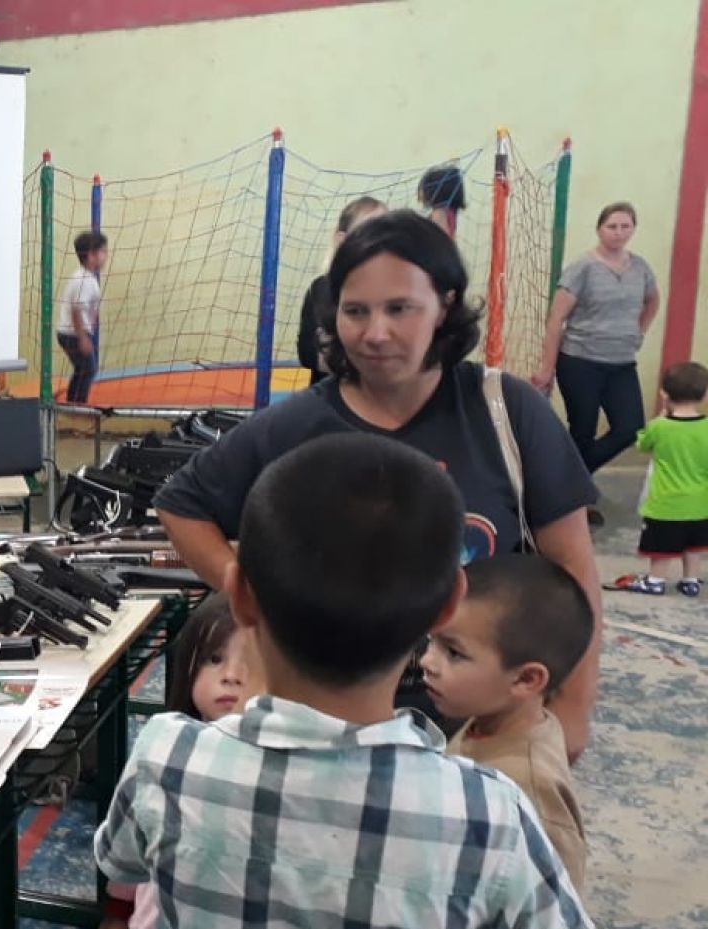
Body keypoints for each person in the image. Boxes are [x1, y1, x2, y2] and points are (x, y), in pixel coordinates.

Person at [97, 433, 597, 929]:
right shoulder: (489, 816)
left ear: (239, 594)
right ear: (448, 603)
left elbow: (121, 864)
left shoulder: (167, 758)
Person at [155, 209, 602, 760]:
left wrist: (572, 712)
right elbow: (182, 503)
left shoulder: (507, 411)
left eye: (399, 309)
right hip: (326, 728)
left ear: (444, 306)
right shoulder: (296, 424)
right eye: (355, 311)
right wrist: (261, 607)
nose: (375, 333)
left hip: (479, 732)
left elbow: (573, 569)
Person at [421, 555, 596, 929]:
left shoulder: (527, 786)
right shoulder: (490, 723)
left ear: (526, 679)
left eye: (453, 652)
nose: (427, 662)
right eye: (432, 643)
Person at [96, 592, 255, 929]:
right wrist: (117, 912)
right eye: (214, 659)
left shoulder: (274, 771)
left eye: (250, 663)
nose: (231, 676)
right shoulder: (165, 756)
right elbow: (131, 848)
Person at [530, 202, 661, 524]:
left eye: (625, 226)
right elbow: (556, 319)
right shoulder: (583, 268)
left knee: (630, 428)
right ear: (599, 229)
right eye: (612, 226)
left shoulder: (640, 267)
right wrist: (547, 367)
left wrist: (638, 332)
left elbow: (653, 299)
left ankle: (568, 482)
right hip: (580, 361)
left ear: (633, 229)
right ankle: (577, 499)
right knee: (583, 430)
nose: (619, 233)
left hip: (621, 363)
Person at [606, 360, 708, 595]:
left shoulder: (660, 427)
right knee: (693, 546)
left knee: (662, 547)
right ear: (704, 395)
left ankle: (655, 580)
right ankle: (690, 580)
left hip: (665, 503)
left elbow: (642, 444)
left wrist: (662, 415)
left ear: (664, 393)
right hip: (700, 504)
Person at [297, 196, 387, 385]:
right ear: (342, 240)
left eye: (385, 232)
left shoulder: (397, 290)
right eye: (366, 231)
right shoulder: (321, 289)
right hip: (332, 394)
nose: (377, 241)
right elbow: (307, 354)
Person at [56, 230, 108, 404]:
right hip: (73, 334)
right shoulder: (84, 280)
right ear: (91, 255)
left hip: (72, 333)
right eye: (103, 251)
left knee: (83, 369)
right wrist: (83, 337)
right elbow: (76, 309)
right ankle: (77, 404)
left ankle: (73, 403)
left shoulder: (85, 277)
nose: (106, 256)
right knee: (88, 369)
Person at [418, 163, 467, 237]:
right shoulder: (450, 211)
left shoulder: (439, 212)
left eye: (422, 188)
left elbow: (441, 237)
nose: (419, 193)